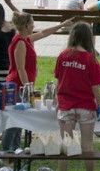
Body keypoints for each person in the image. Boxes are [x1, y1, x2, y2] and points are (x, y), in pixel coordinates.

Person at [4, 11, 72, 151]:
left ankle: (14, 150)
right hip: (18, 86)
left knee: (19, 121)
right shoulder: (20, 42)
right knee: (15, 120)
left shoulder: (26, 39)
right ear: (26, 25)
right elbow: (20, 68)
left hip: (21, 85)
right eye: (32, 23)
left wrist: (62, 25)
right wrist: (27, 89)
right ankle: (7, 150)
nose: (34, 25)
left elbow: (43, 33)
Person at [54, 23, 100, 171]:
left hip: (66, 105)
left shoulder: (63, 55)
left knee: (65, 145)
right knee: (88, 146)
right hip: (86, 106)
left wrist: (57, 100)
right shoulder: (90, 59)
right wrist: (99, 105)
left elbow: (58, 80)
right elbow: (96, 86)